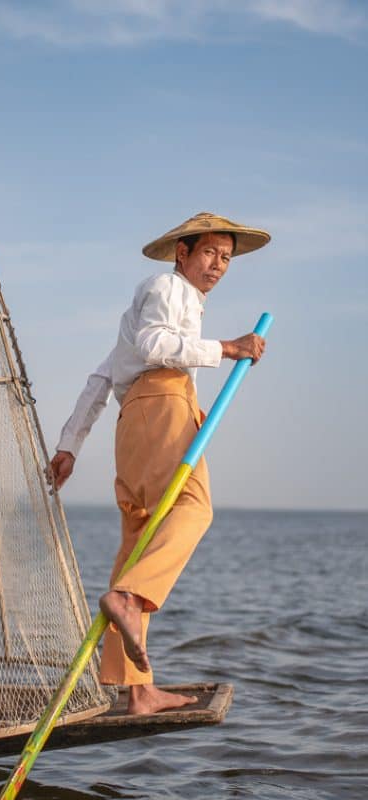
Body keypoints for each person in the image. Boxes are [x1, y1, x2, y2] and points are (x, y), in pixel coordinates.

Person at [49, 212, 270, 715]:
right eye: (209, 253)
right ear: (183, 254)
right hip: (161, 407)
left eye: (226, 258)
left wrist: (70, 445)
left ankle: (138, 689)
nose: (218, 265)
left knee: (138, 543)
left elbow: (101, 379)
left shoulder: (165, 304)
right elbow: (154, 348)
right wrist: (228, 347)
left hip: (138, 423)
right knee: (194, 508)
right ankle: (130, 599)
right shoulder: (166, 288)